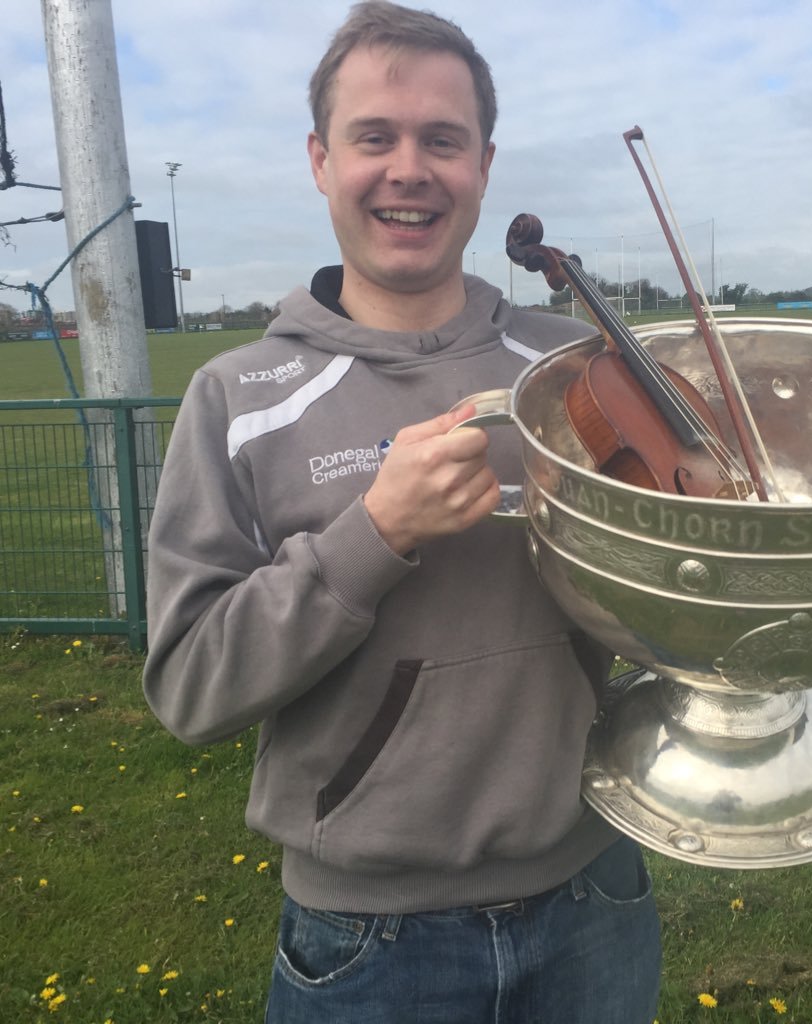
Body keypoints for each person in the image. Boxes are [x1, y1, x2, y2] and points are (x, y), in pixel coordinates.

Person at [142, 3, 662, 1022]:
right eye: (373, 136)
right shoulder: (239, 399)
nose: (408, 168)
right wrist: (369, 537)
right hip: (367, 946)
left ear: (483, 162)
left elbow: (687, 575)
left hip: (596, 897)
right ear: (320, 159)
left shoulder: (573, 369)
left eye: (442, 139)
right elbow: (191, 688)